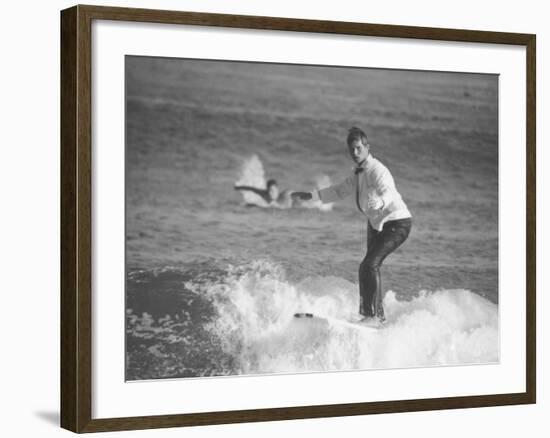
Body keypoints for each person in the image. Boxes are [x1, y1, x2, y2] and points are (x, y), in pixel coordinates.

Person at [291, 127, 412, 324]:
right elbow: (339, 191)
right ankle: (373, 315)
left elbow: (388, 190)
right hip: (376, 223)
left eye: (358, 148)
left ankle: (373, 316)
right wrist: (312, 196)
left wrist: (381, 202)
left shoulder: (377, 170)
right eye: (351, 150)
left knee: (369, 265)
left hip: (397, 222)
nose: (355, 153)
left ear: (367, 147)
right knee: (367, 267)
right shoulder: (357, 173)